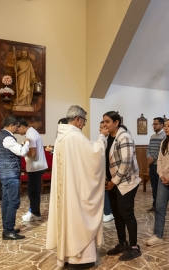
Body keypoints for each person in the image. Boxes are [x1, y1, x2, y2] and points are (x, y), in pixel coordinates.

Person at [46, 105, 108, 269]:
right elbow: (95, 155)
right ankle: (81, 258)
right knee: (78, 218)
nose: (84, 124)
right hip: (75, 190)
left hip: (66, 190)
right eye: (84, 121)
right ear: (78, 119)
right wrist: (102, 137)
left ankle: (66, 255)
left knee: (67, 219)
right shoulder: (75, 137)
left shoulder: (60, 137)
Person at [103, 111, 141, 261]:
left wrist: (114, 181)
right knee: (117, 214)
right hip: (113, 182)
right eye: (104, 122)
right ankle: (122, 243)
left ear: (116, 122)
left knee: (127, 214)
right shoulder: (108, 138)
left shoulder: (124, 137)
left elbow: (126, 163)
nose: (105, 124)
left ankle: (134, 247)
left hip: (126, 182)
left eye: (107, 121)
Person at [0, 116, 30, 240]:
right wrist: (27, 142)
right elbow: (21, 152)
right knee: (14, 202)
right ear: (11, 125)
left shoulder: (1, 135)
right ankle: (8, 231)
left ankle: (7, 228)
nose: (17, 129)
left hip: (4, 174)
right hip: (10, 174)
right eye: (16, 126)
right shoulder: (8, 137)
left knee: (6, 202)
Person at [17, 119, 48, 222]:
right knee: (32, 191)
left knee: (33, 191)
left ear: (22, 126)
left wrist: (23, 151)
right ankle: (33, 211)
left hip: (35, 167)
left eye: (18, 129)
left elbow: (33, 154)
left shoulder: (30, 136)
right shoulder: (32, 132)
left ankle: (35, 213)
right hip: (35, 166)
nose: (18, 132)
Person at [146, 117, 166, 212]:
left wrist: (153, 158)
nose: (154, 126)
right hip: (152, 165)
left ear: (161, 125)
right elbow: (148, 149)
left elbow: (162, 150)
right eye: (153, 124)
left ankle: (160, 205)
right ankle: (155, 205)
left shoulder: (164, 136)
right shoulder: (152, 137)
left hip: (159, 165)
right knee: (154, 186)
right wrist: (149, 156)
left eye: (156, 124)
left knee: (160, 187)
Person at [100, 121, 114, 223]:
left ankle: (109, 212)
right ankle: (107, 211)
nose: (101, 130)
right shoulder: (102, 139)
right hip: (104, 171)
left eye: (103, 128)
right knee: (105, 192)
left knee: (108, 193)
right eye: (100, 128)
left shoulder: (112, 140)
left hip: (111, 171)